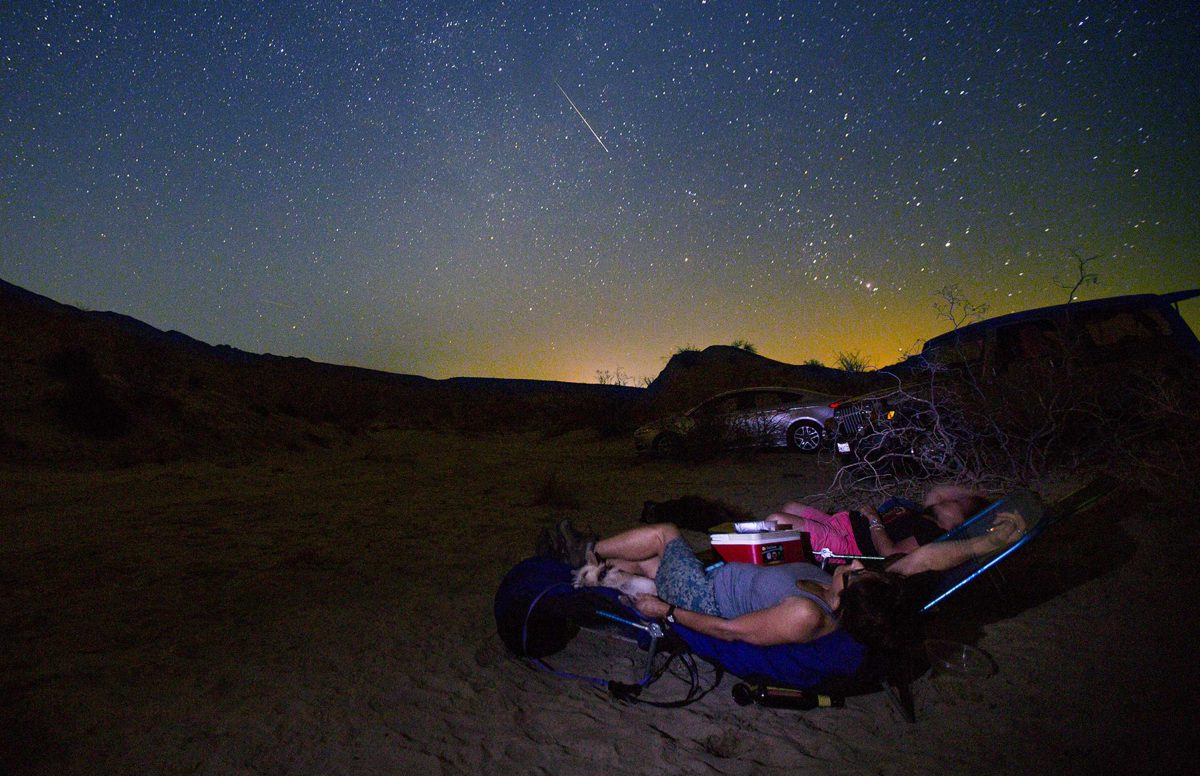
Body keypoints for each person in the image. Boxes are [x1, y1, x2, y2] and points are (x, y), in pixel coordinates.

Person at [542, 508, 1026, 653]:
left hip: (703, 597)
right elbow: (921, 561)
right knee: (647, 564)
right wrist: (986, 543)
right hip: (721, 577)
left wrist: (667, 612)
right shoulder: (857, 590)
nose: (858, 566)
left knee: (667, 536)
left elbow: (731, 632)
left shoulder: (806, 614)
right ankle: (602, 571)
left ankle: (589, 552)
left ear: (847, 598)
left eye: (857, 574)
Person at [767, 484, 992, 561]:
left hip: (849, 546)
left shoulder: (931, 534)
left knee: (776, 521)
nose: (954, 499)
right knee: (789, 507)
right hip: (844, 525)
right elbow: (939, 491)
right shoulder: (926, 515)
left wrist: (875, 520)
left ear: (959, 522)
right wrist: (984, 494)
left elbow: (890, 554)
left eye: (961, 503)